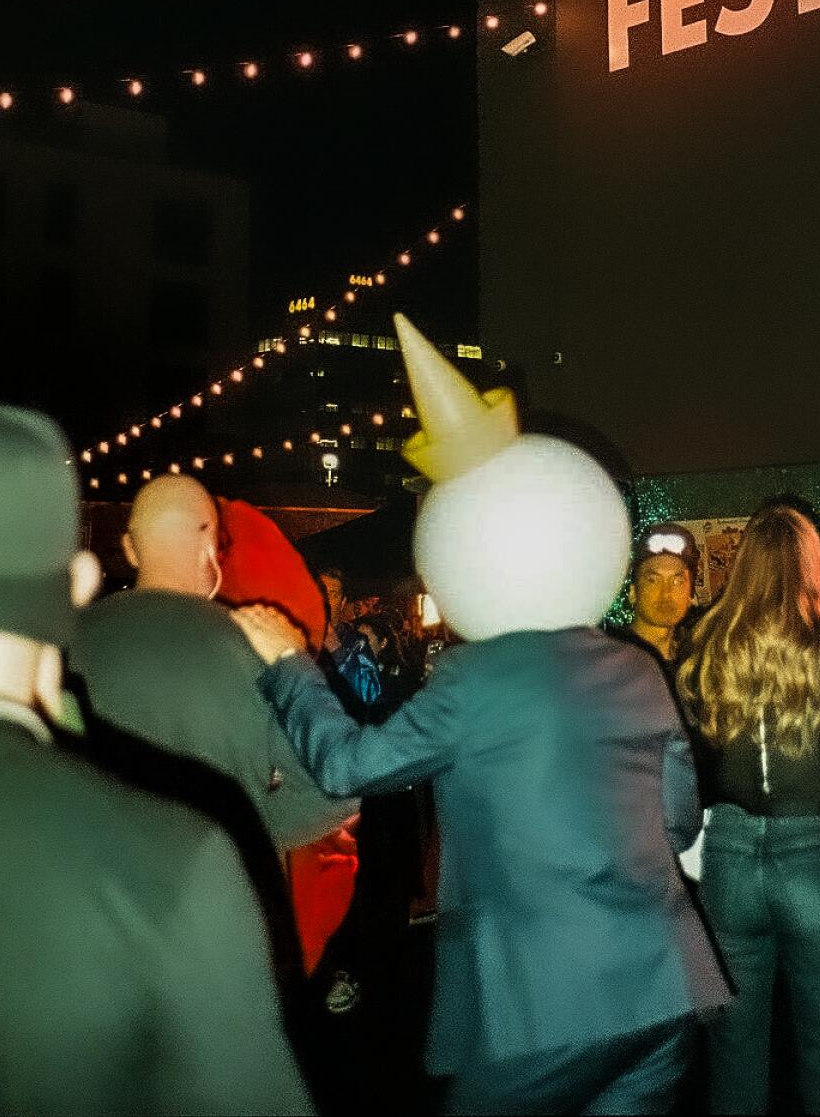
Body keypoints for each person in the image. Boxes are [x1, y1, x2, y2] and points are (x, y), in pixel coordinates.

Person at [234, 314, 729, 1116]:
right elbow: (676, 824)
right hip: (661, 991)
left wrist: (288, 664)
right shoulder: (636, 667)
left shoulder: (472, 676)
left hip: (543, 1008)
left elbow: (348, 767)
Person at [0, 398, 312, 1116]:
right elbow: (333, 790)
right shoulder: (182, 859)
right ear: (75, 580)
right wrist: (296, 667)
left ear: (121, 556)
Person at [677, 497, 820, 1116]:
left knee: (734, 1062)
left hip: (728, 856)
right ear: (812, 566)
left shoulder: (706, 643)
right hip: (817, 857)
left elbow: (691, 761)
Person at [71, 473, 354, 853]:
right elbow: (337, 788)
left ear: (130, 549)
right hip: (203, 898)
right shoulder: (247, 644)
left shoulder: (66, 641)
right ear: (210, 546)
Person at [616, 522, 701, 676]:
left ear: (690, 595)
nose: (666, 592)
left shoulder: (696, 668)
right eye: (653, 581)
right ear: (633, 592)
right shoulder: (610, 665)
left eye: (677, 581)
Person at [319, 565, 383, 708]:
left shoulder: (356, 642)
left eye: (333, 594)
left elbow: (371, 694)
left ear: (342, 602)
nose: (326, 599)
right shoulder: (298, 635)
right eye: (322, 592)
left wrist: (337, 651)